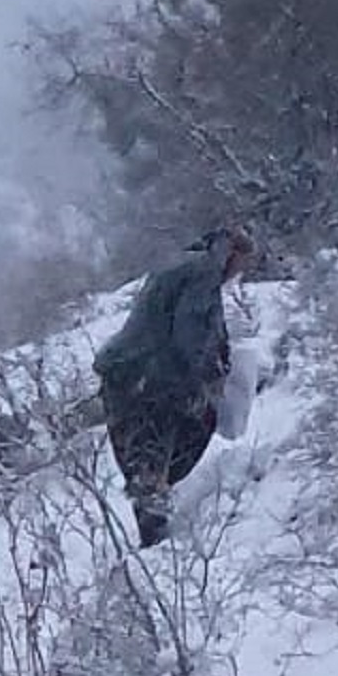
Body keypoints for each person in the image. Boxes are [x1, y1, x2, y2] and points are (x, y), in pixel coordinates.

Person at [93, 225, 254, 548]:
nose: (238, 273)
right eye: (241, 264)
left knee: (146, 461)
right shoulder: (203, 272)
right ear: (231, 253)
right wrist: (207, 374)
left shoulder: (179, 264)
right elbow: (190, 330)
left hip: (127, 375)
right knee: (156, 458)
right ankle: (155, 546)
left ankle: (153, 535)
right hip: (150, 379)